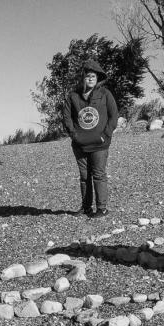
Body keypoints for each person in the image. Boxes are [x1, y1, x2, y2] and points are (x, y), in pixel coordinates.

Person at [62, 59, 119, 218]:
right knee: (84, 177)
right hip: (80, 145)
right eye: (88, 76)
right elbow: (66, 117)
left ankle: (102, 208)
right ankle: (86, 208)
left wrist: (105, 135)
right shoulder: (73, 96)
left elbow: (114, 115)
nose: (91, 79)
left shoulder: (105, 94)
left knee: (99, 175)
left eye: (94, 76)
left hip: (100, 144)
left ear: (98, 78)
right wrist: (74, 135)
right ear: (83, 77)